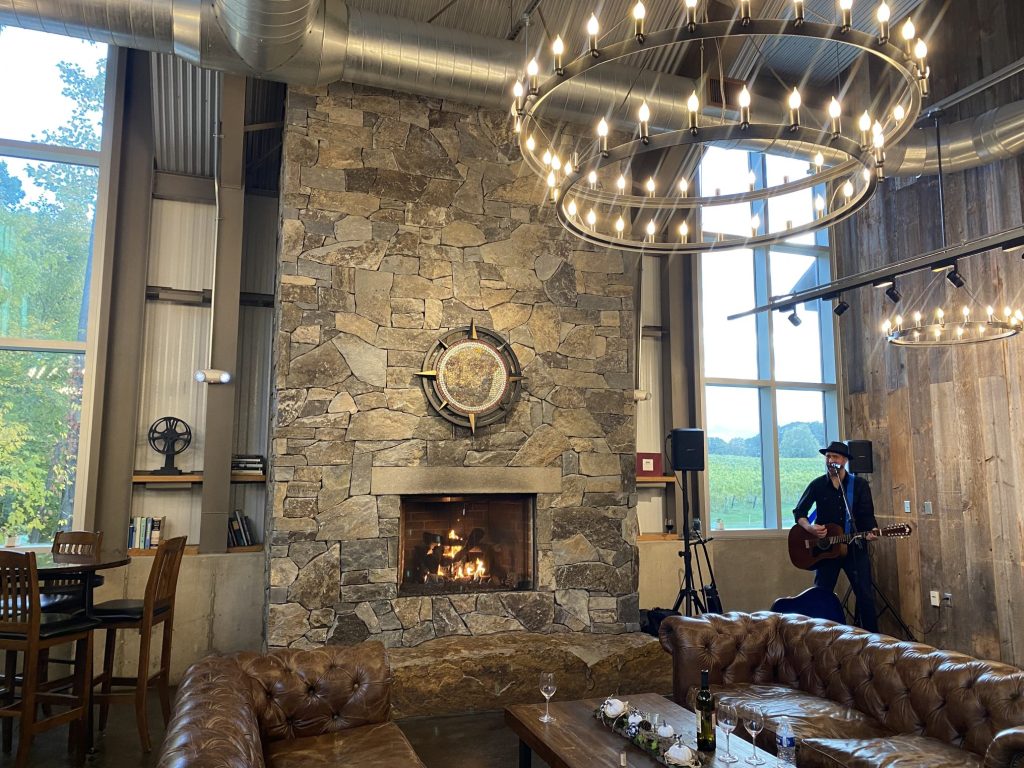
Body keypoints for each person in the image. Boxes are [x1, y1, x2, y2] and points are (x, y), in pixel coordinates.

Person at [793, 440, 879, 632]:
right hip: (825, 550)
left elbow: (867, 516)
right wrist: (810, 528)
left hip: (854, 548)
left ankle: (875, 641)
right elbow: (799, 512)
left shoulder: (859, 485)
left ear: (845, 461)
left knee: (865, 595)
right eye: (828, 456)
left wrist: (872, 531)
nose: (830, 460)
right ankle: (817, 636)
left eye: (835, 457)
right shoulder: (817, 485)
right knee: (820, 595)